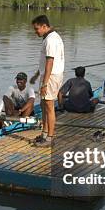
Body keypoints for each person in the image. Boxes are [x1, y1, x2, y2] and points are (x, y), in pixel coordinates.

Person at [29, 15, 65, 147]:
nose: (36, 32)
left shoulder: (51, 40)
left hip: (51, 76)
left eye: (37, 29)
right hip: (47, 75)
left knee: (49, 107)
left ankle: (50, 138)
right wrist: (36, 75)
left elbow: (50, 62)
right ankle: (44, 133)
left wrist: (44, 83)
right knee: (43, 105)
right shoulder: (50, 37)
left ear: (44, 26)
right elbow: (44, 62)